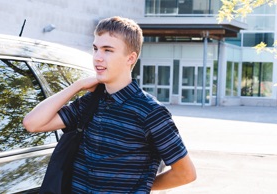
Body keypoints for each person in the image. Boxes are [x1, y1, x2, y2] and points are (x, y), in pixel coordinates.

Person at [23, 16, 196, 193]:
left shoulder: (150, 112)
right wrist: (77, 86)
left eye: (107, 50)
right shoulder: (90, 102)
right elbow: (32, 123)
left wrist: (139, 187)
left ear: (130, 58)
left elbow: (185, 173)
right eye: (95, 48)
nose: (98, 57)